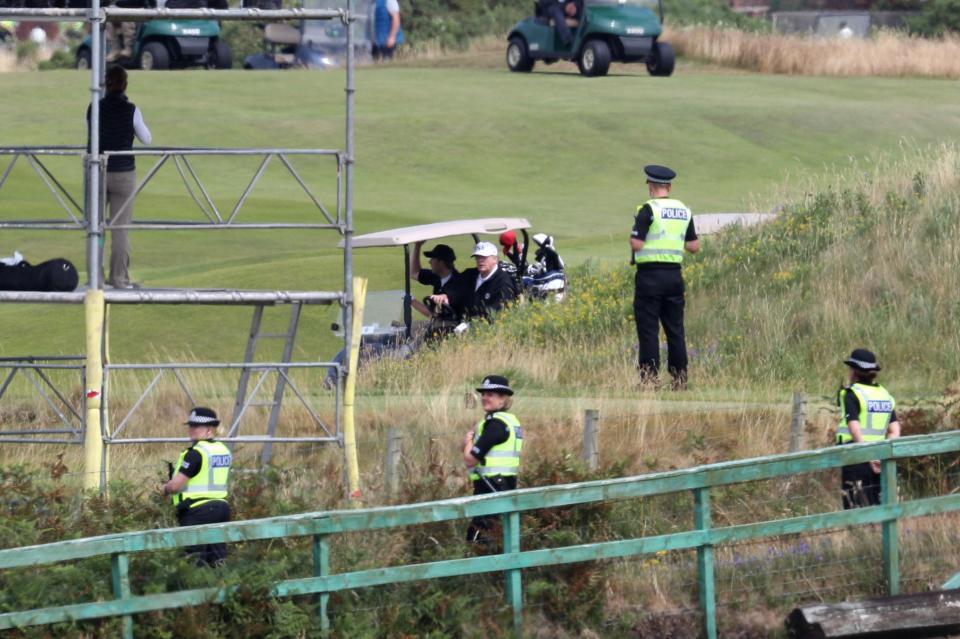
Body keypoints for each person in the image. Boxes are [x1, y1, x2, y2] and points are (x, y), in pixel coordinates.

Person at [630, 164, 699, 390]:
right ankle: (680, 380)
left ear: (651, 186)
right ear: (669, 186)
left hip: (649, 276)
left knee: (649, 330)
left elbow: (636, 244)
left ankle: (649, 380)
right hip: (674, 276)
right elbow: (693, 246)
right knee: (675, 330)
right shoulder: (684, 210)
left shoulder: (648, 209)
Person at [86, 65, 152, 289]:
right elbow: (147, 139)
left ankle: (96, 278)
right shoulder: (132, 110)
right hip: (123, 173)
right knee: (120, 230)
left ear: (106, 84)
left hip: (98, 171)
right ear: (124, 84)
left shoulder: (94, 108)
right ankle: (119, 279)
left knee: (96, 227)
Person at [161, 407, 232, 566]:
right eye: (190, 426)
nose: (191, 430)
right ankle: (221, 587)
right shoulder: (223, 450)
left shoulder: (195, 453)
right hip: (221, 508)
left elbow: (176, 486)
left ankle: (195, 589)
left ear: (209, 430)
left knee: (193, 561)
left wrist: (164, 489)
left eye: (196, 427)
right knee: (218, 560)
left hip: (198, 511)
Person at [836, 349, 900, 509]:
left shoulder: (851, 394)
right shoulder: (884, 394)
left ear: (854, 371)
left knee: (855, 508)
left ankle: (860, 535)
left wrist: (868, 456)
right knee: (879, 507)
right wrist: (881, 455)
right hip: (880, 459)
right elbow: (894, 431)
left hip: (856, 457)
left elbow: (854, 428)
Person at [463, 375, 523, 544]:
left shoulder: (496, 425)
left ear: (503, 398)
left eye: (490, 394)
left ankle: (479, 570)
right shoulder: (509, 421)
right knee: (496, 537)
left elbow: (470, 460)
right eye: (483, 394)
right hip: (503, 484)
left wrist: (467, 442)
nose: (484, 398)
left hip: (491, 487)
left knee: (478, 540)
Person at [432, 241, 518, 323]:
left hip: (484, 328)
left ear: (495, 259)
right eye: (478, 257)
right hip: (461, 322)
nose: (480, 260)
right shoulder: (470, 275)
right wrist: (446, 295)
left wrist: (472, 323)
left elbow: (497, 311)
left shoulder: (504, 282)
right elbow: (455, 289)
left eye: (484, 257)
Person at [410, 241, 461, 319]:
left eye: (433, 258)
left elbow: (436, 316)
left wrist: (412, 301)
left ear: (441, 262)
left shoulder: (458, 283)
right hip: (441, 325)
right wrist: (417, 246)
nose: (429, 261)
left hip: (451, 326)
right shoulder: (437, 276)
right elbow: (414, 273)